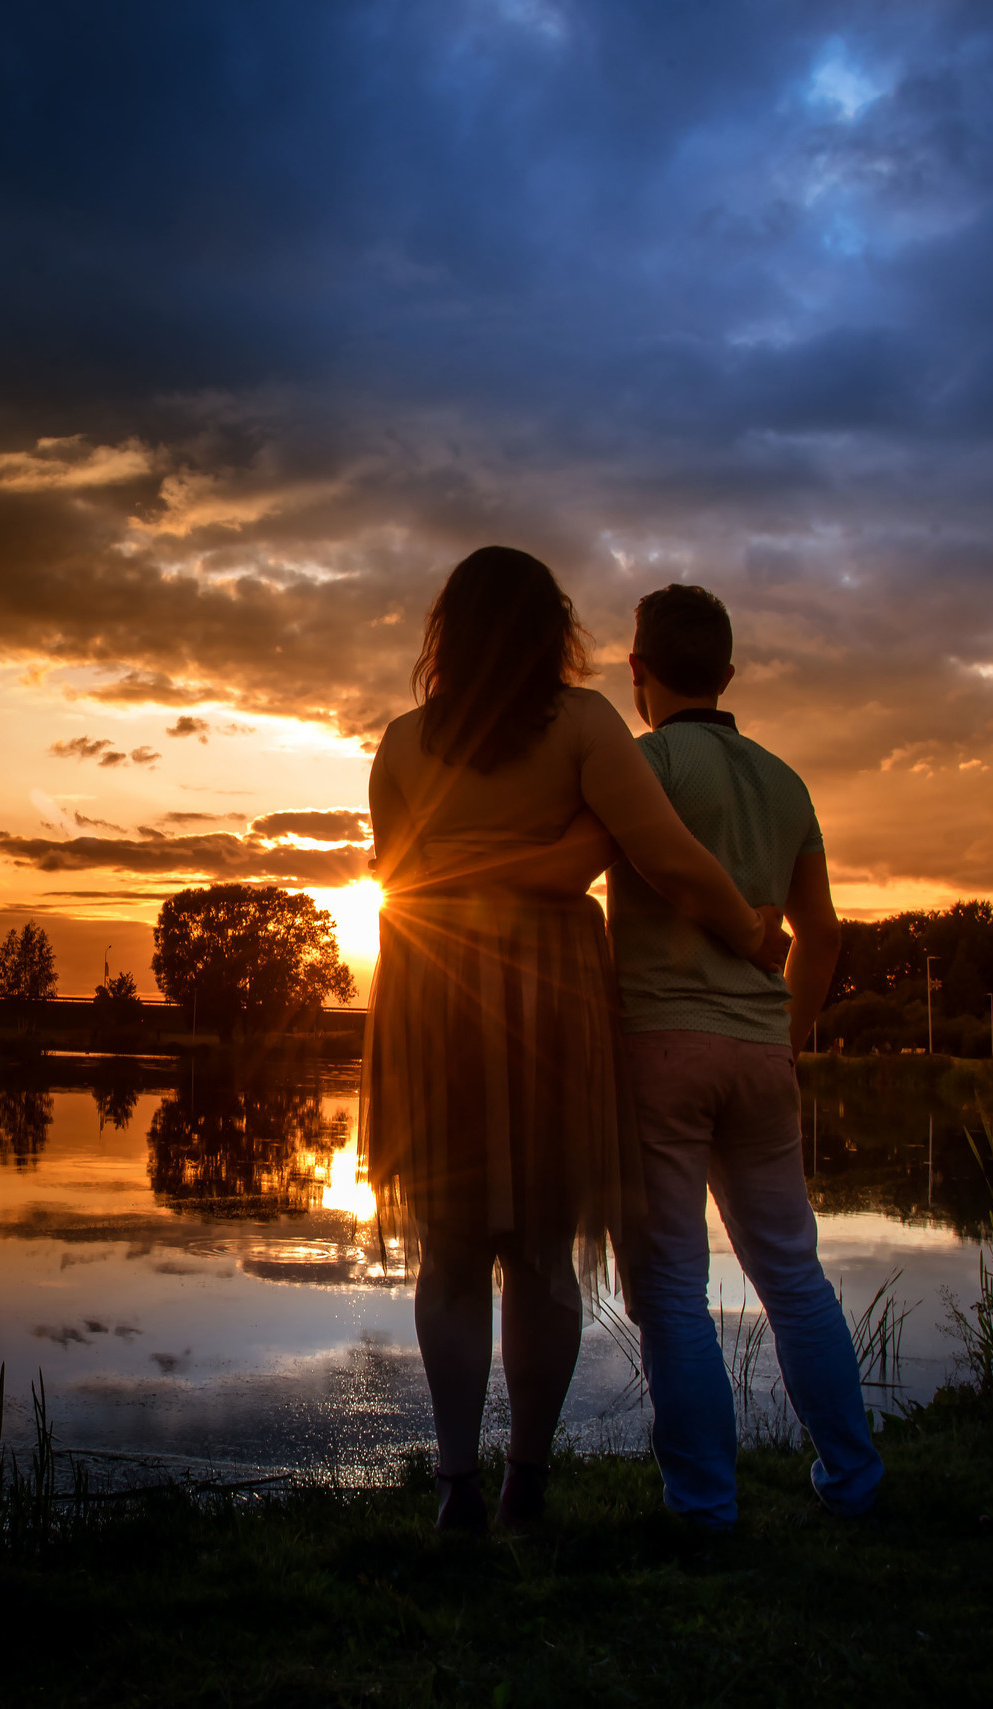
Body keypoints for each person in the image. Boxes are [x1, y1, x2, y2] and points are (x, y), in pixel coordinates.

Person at [363, 547, 788, 1533]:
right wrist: (749, 930)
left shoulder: (400, 742)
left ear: (448, 636)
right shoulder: (587, 725)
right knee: (544, 1253)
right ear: (551, 629)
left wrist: (479, 869)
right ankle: (527, 1477)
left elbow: (401, 876)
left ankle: (456, 1484)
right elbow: (668, 856)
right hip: (547, 1000)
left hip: (433, 1002)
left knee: (453, 1253)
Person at [608, 582, 882, 1529]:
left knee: (676, 1291)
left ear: (636, 670)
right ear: (728, 673)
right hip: (762, 1053)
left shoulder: (641, 768)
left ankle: (704, 1504)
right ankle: (852, 1475)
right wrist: (787, 1038)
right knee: (794, 1276)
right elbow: (824, 937)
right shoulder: (785, 781)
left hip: (661, 1052)